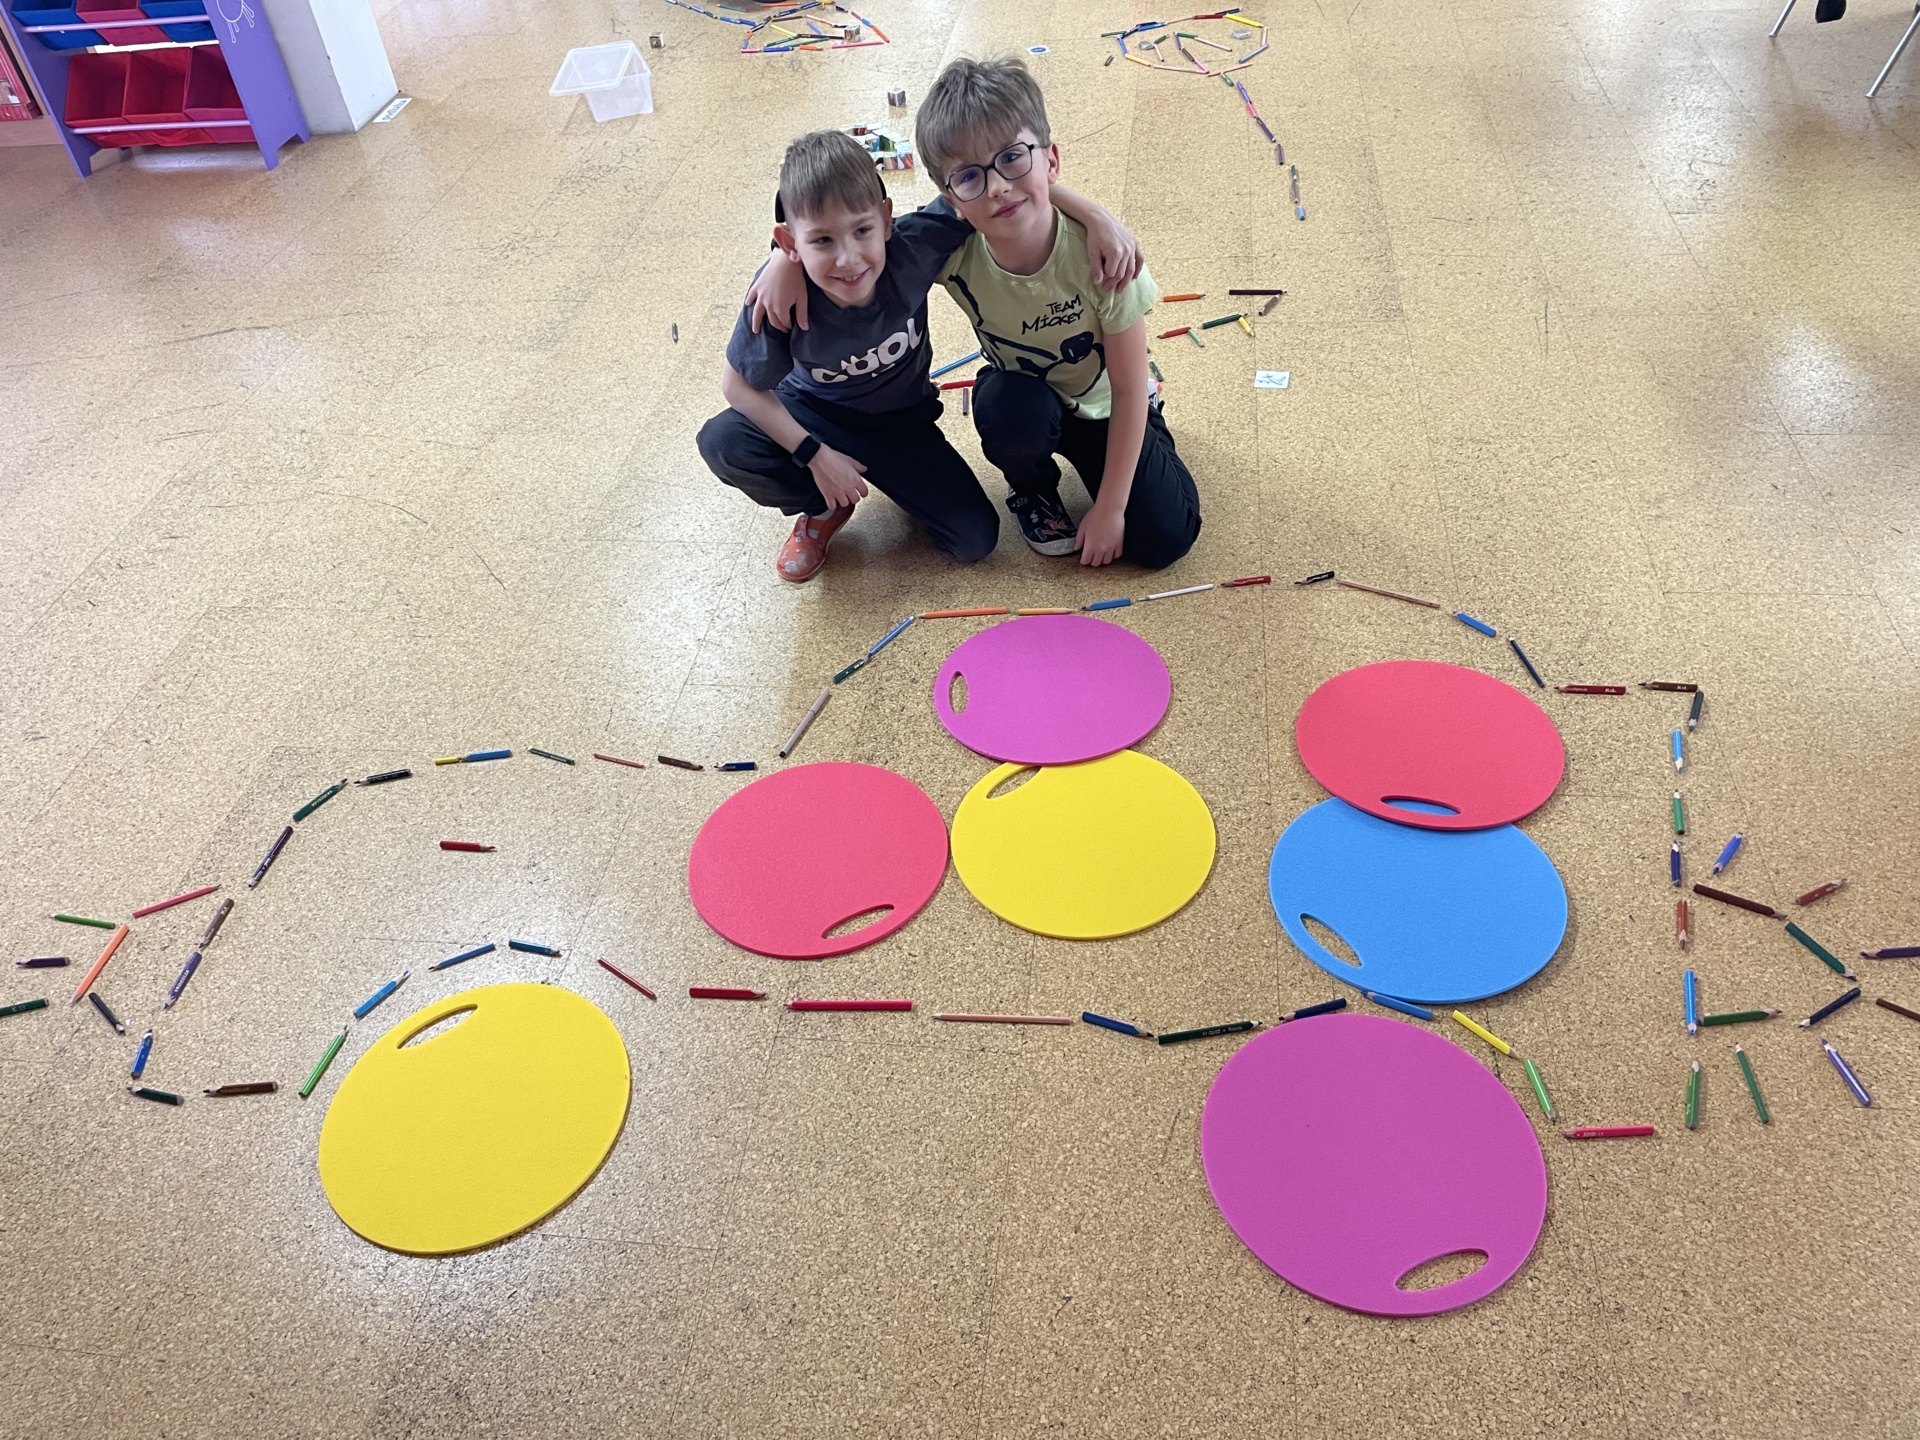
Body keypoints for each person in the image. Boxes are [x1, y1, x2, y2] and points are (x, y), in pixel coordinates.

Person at [700, 129, 1143, 582]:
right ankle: (822, 507)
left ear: (886, 220)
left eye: (862, 231)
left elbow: (994, 194)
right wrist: (814, 454)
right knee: (724, 442)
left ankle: (889, 484)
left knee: (974, 540)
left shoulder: (914, 244)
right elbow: (737, 386)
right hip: (813, 418)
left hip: (901, 428)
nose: (848, 259)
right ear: (791, 242)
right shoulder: (775, 295)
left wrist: (1096, 216)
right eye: (822, 241)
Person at [918, 55, 1201, 569]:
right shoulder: (951, 250)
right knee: (1006, 407)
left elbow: (1128, 388)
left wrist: (1111, 508)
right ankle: (1032, 488)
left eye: (1011, 158)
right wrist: (786, 261)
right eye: (970, 176)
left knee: (1165, 539)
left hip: (1108, 405)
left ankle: (1149, 436)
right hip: (1028, 400)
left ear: (1051, 160)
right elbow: (860, 246)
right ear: (951, 200)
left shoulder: (1105, 257)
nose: (997, 186)